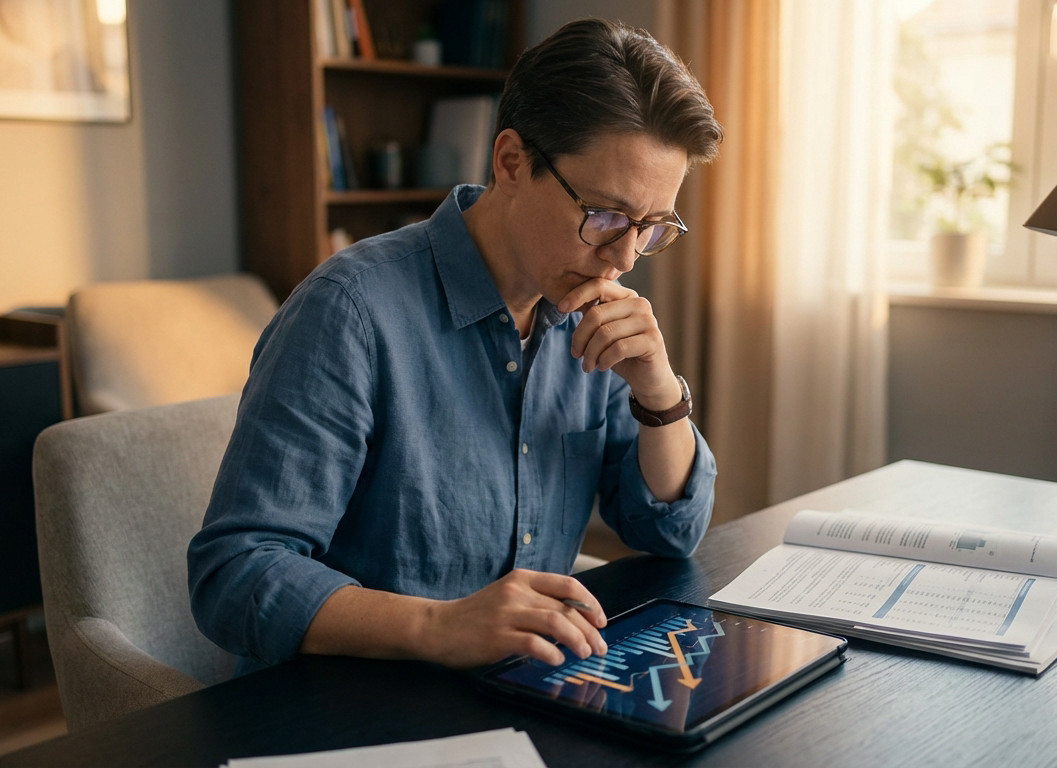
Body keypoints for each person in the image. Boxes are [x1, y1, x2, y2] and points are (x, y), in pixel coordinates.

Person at [188, 17, 723, 675]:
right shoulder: (350, 313)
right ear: (511, 163)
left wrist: (659, 394)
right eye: (605, 216)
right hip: (352, 703)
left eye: (649, 226)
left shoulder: (594, 304)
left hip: (524, 687)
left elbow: (668, 533)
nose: (625, 257)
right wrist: (440, 627)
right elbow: (233, 575)